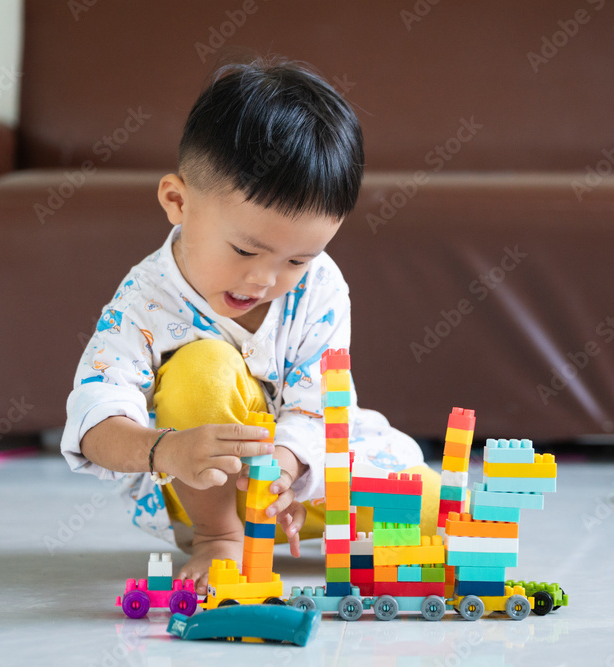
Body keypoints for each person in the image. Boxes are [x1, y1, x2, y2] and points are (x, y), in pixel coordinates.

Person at [61, 57, 440, 594]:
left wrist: (286, 467)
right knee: (203, 367)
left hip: (298, 482)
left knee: (434, 518)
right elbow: (96, 415)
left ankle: (316, 529)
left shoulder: (323, 288)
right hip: (196, 481)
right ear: (177, 202)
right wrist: (164, 451)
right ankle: (220, 537)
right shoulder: (146, 299)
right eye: (244, 249)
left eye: (297, 260)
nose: (264, 278)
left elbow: (319, 405)